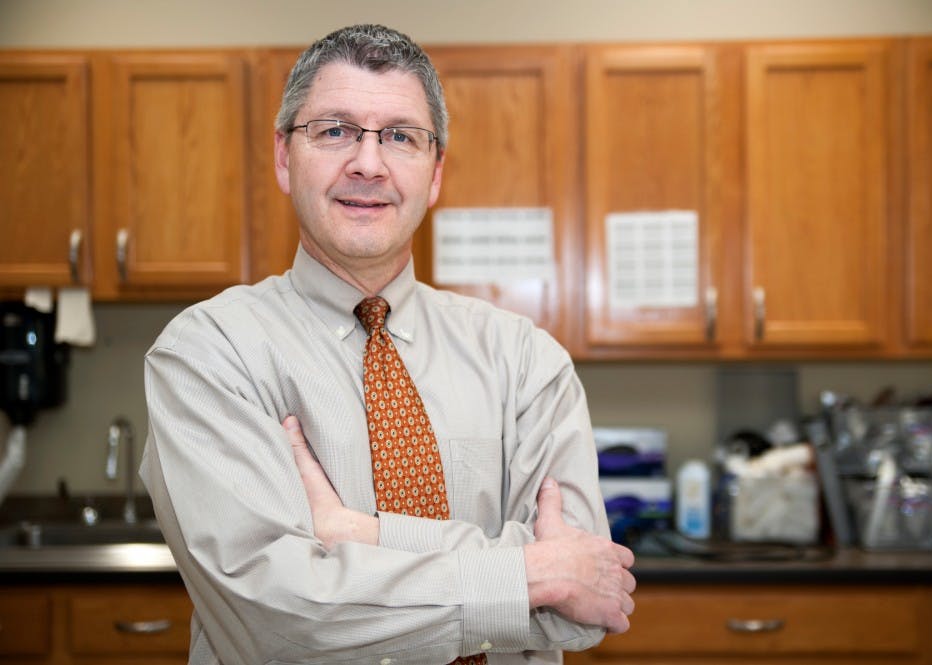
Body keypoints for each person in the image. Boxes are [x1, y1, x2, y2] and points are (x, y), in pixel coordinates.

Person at [140, 23, 635, 665]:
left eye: (400, 136)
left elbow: (585, 604)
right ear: (285, 158)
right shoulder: (209, 354)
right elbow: (277, 619)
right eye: (335, 130)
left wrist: (356, 537)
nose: (368, 163)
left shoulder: (526, 360)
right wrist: (531, 577)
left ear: (434, 173)